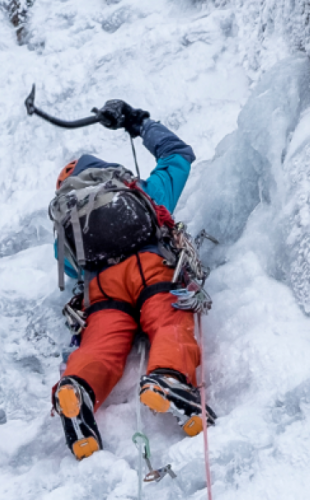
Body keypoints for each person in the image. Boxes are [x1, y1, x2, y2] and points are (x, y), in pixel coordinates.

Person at [50, 100, 215, 460]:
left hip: (102, 289)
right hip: (151, 266)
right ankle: (168, 377)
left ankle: (78, 388)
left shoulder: (70, 225)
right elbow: (178, 155)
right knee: (168, 318)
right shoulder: (138, 192)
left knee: (99, 346)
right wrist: (138, 123)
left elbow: (70, 270)